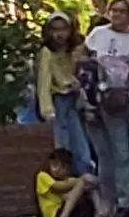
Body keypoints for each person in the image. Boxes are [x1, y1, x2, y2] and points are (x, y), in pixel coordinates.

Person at [84, 0, 129, 211]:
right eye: (114, 10)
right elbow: (83, 59)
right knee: (120, 149)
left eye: (122, 11)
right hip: (109, 96)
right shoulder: (98, 35)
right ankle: (124, 200)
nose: (117, 15)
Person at [34, 10, 90, 175]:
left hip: (73, 101)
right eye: (54, 30)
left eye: (63, 29)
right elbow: (44, 82)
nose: (59, 34)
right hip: (57, 102)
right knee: (62, 147)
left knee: (81, 149)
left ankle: (83, 181)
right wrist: (47, 110)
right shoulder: (47, 52)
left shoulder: (74, 50)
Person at [35, 147, 112, 217]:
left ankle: (100, 216)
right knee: (84, 183)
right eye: (55, 165)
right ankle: (65, 216)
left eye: (63, 167)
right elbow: (58, 187)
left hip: (73, 212)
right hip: (55, 216)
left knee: (89, 188)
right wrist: (83, 180)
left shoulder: (71, 179)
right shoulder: (42, 176)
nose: (58, 169)